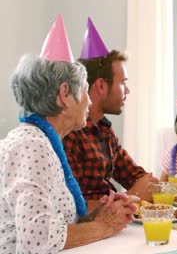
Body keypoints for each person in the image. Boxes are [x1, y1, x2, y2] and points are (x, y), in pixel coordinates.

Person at [0, 15, 134, 253]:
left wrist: (97, 216)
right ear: (65, 94)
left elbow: (54, 224)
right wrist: (104, 226)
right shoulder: (32, 147)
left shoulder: (42, 141)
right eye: (84, 91)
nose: (90, 100)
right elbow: (37, 241)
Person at [63, 17, 157, 209]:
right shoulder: (70, 133)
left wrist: (148, 185)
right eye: (123, 83)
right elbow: (73, 208)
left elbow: (137, 176)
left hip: (113, 221)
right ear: (101, 86)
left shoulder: (105, 131)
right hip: (93, 229)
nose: (127, 91)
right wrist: (131, 196)